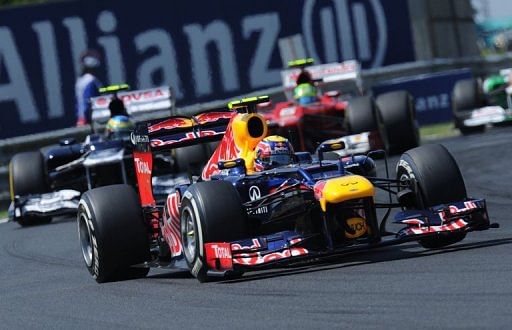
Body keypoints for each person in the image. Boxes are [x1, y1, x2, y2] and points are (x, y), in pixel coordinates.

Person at [75, 50, 103, 126]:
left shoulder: (80, 80)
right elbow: (87, 101)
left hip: (82, 118)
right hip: (89, 119)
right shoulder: (90, 80)